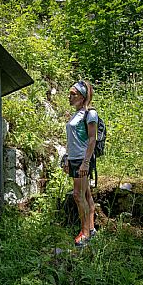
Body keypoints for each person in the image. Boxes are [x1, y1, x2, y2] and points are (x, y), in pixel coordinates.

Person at [62, 80, 98, 247]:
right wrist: (67, 159)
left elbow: (92, 140)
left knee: (78, 195)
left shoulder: (90, 114)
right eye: (69, 93)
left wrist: (85, 163)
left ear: (83, 97)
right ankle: (90, 229)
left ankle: (84, 233)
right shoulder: (75, 115)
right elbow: (71, 141)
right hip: (74, 159)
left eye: (73, 94)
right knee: (86, 195)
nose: (69, 97)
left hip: (82, 161)